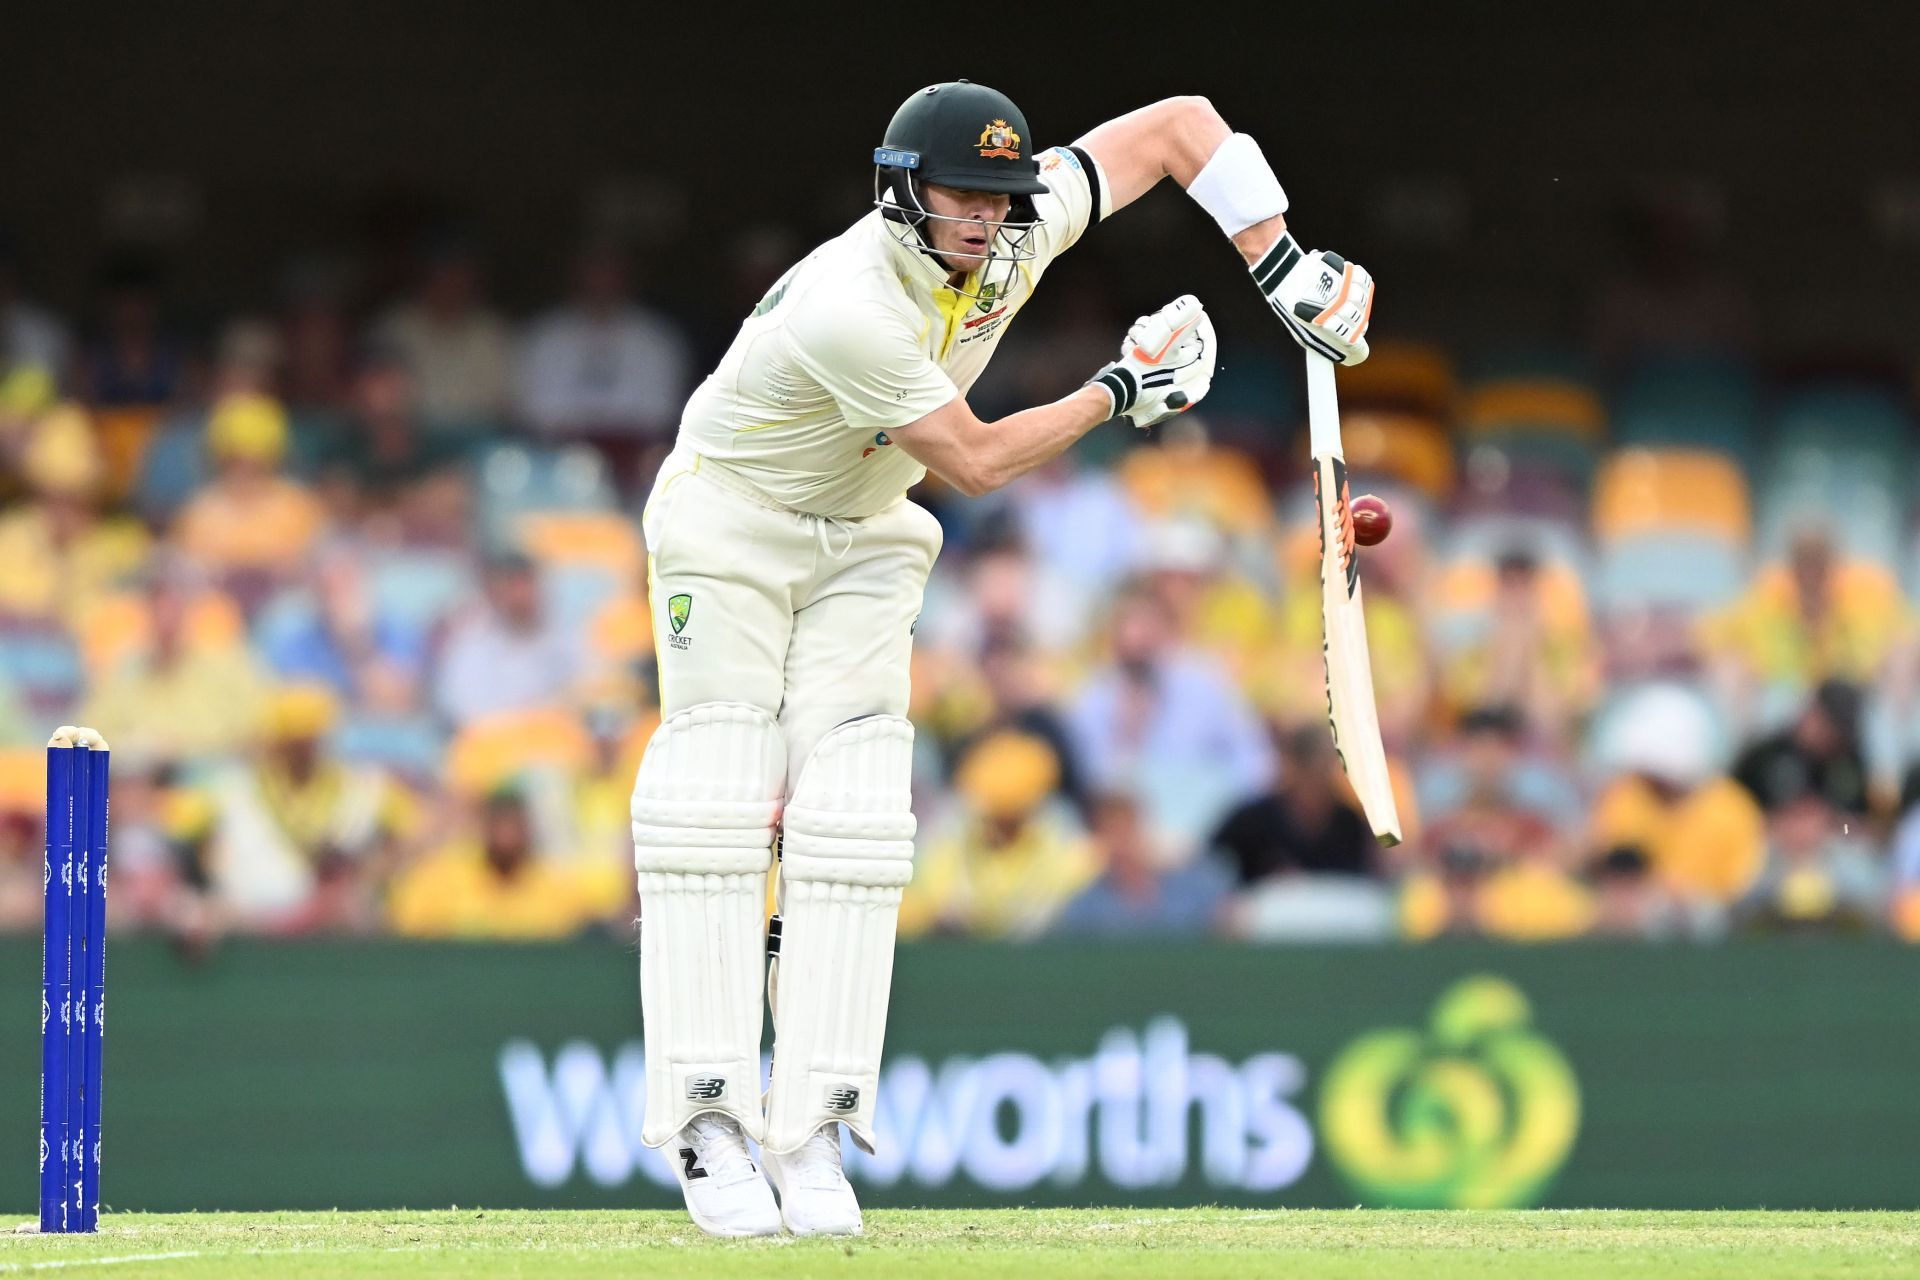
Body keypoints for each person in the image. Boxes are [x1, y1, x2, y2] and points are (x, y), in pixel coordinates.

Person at [629, 80, 1373, 1237]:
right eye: (961, 196)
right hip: (731, 520)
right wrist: (1121, 391)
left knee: (860, 816)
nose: (985, 219)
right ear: (902, 191)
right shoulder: (849, 302)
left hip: (867, 532)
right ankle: (707, 1115)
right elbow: (973, 461)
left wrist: (1284, 267)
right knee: (717, 796)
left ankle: (814, 1122)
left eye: (1000, 196)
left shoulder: (1018, 231)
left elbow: (1181, 125)